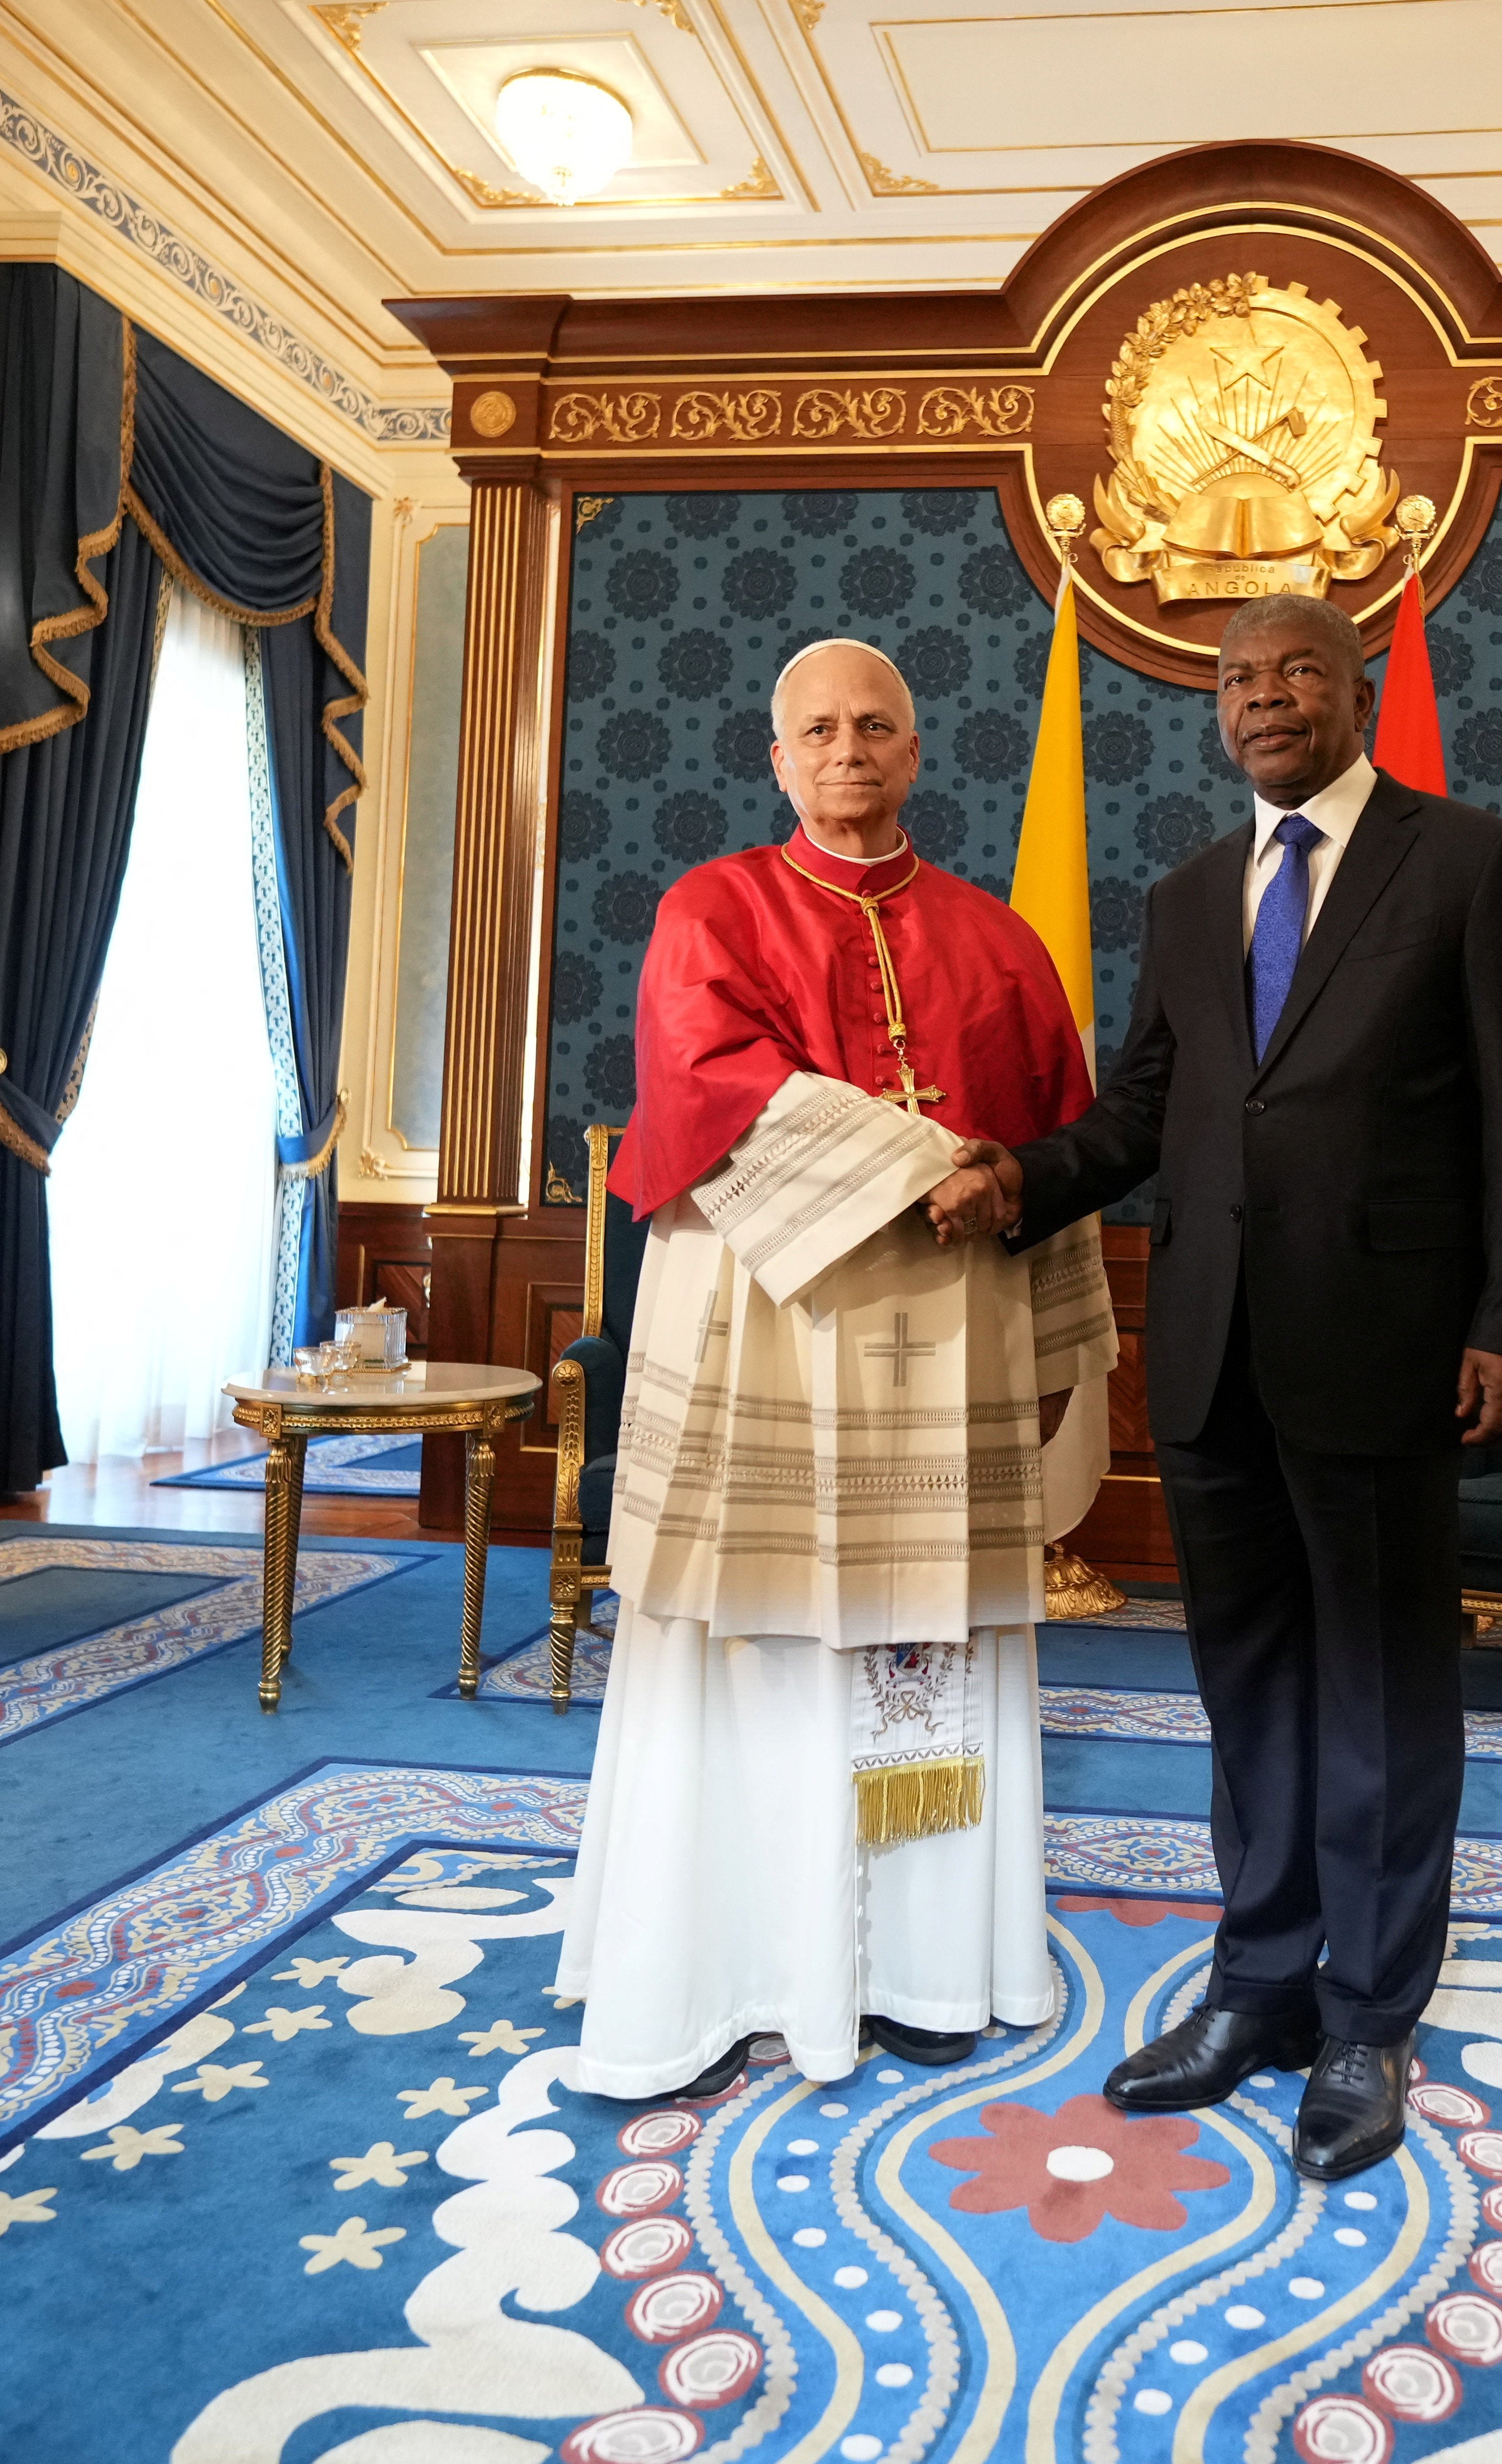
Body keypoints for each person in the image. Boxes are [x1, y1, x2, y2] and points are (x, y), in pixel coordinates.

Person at [930, 592, 1502, 2181]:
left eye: (1294, 670)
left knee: (1381, 1690)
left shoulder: (1466, 860)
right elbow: (1140, 1113)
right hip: (1210, 1351)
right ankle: (1261, 1983)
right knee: (1250, 1688)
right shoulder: (1186, 894)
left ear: (1354, 689)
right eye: (1234, 678)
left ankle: (1367, 2016)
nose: (1261, 697)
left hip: (1389, 1351)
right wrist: (1019, 1179)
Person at [556, 637, 1117, 2103]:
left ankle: (926, 1971)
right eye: (818, 729)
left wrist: (1009, 1215)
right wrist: (927, 1169)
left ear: (915, 753)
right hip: (771, 1328)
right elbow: (710, 1086)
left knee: (928, 1650)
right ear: (778, 758)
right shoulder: (714, 908)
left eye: (875, 726)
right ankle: (742, 1961)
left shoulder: (1002, 943)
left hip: (949, 1349)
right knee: (763, 1649)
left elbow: (1062, 1147)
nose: (848, 748)